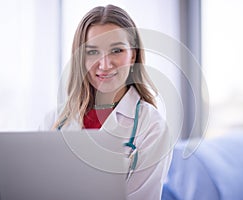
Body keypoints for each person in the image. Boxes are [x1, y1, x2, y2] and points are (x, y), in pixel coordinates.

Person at [39, 4, 173, 200]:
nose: (104, 64)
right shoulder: (55, 120)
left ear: (133, 54)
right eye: (92, 52)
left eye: (116, 50)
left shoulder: (151, 126)